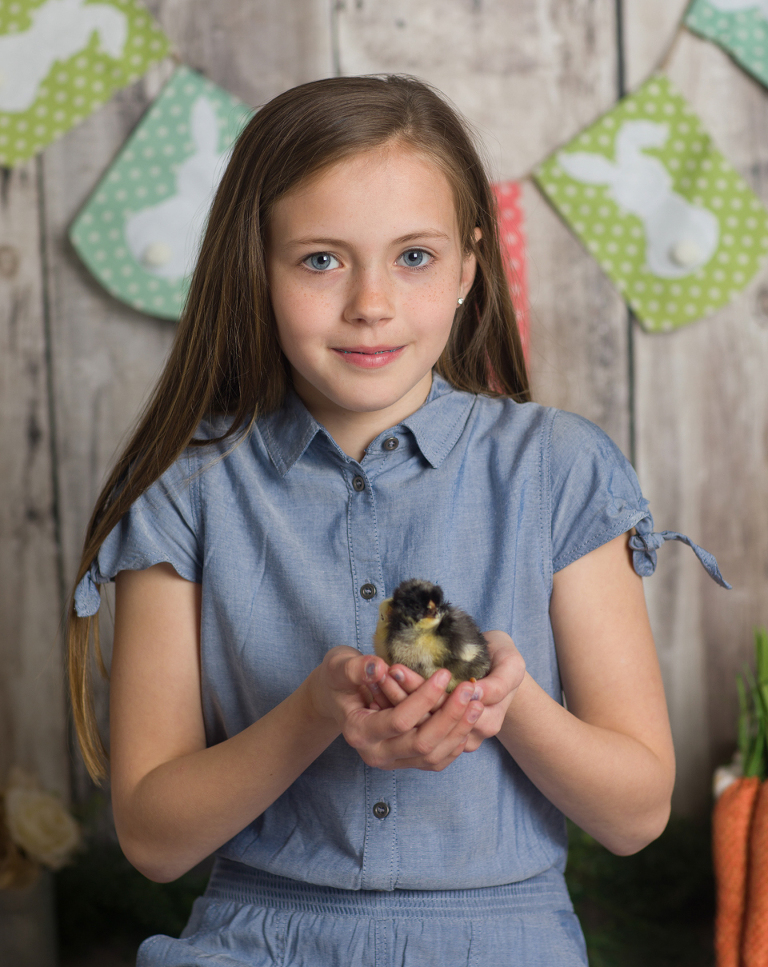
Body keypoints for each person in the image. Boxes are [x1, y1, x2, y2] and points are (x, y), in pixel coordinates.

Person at [68, 74, 729, 967]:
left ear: (469, 267)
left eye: (413, 256)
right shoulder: (188, 489)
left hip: (509, 941)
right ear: (253, 269)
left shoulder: (557, 469)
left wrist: (509, 699)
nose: (370, 303)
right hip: (257, 941)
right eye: (320, 259)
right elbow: (153, 838)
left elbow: (636, 814)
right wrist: (312, 712)